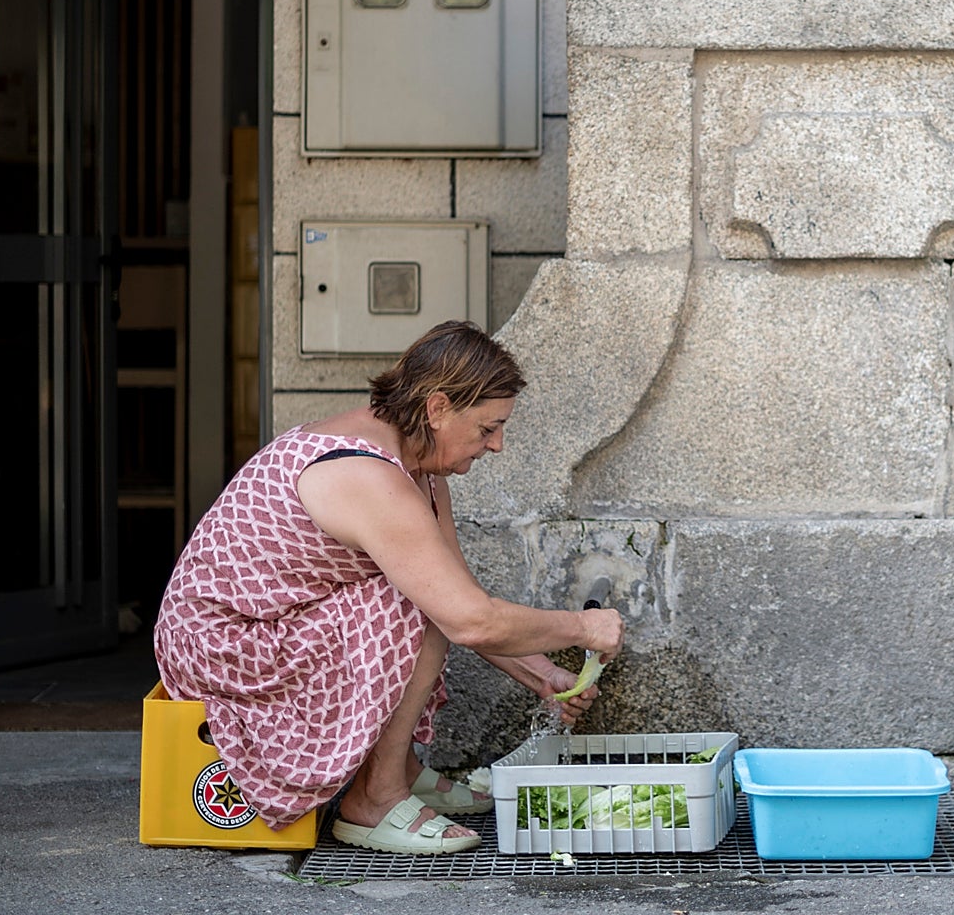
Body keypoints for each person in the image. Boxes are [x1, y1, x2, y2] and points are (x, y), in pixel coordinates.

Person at [154, 320, 625, 856]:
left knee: (422, 591)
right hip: (222, 646)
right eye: (487, 427)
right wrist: (585, 627)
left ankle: (400, 771)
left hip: (270, 624)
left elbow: (461, 595)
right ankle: (374, 801)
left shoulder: (419, 468)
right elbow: (467, 618)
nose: (497, 444)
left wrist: (544, 675)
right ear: (439, 408)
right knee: (408, 602)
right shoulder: (367, 476)